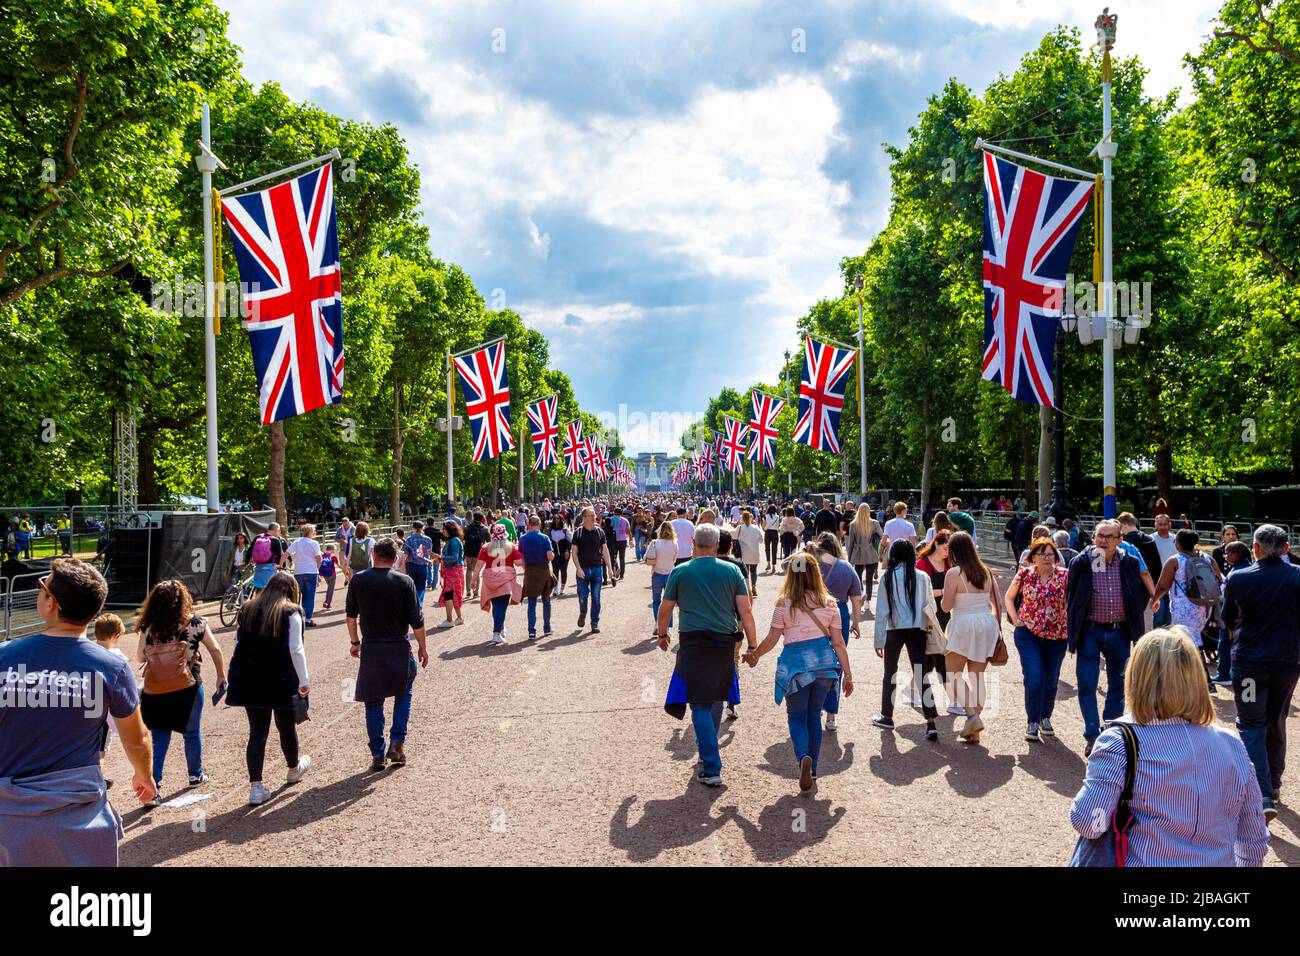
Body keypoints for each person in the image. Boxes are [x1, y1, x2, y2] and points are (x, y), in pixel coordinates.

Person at [0, 559, 155, 865]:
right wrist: (144, 775)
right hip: (80, 814)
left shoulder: (4, 657)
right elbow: (137, 739)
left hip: (10, 814)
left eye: (42, 589)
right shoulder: (111, 666)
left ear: (51, 603)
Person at [1070, 628, 1268, 866]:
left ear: (1137, 677)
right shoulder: (1232, 744)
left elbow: (1090, 823)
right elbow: (1253, 842)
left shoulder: (1119, 742)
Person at [656, 524, 757, 787]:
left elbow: (665, 609)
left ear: (693, 542)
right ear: (716, 544)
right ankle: (706, 752)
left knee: (699, 703)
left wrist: (662, 634)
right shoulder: (732, 570)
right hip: (724, 643)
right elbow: (745, 611)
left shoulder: (680, 571)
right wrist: (753, 644)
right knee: (715, 699)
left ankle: (711, 765)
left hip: (694, 643)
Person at [743, 552, 853, 791]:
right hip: (825, 666)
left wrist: (754, 655)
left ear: (791, 575)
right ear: (816, 574)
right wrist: (848, 674)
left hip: (796, 668)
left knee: (796, 717)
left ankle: (803, 756)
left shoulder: (784, 603)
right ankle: (812, 770)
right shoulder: (830, 603)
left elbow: (773, 638)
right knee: (814, 716)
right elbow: (838, 643)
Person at [1221, 524, 1300, 822]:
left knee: (1252, 724)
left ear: (1254, 548)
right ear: (1286, 547)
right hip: (1287, 664)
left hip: (1250, 665)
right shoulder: (1297, 577)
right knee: (1276, 721)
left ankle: (1263, 792)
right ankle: (1274, 784)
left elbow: (1227, 618)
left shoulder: (1238, 578)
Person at [135, 579, 226, 800]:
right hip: (188, 686)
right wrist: (221, 676)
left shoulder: (149, 627)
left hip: (155, 689)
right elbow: (215, 649)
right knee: (191, 733)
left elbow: (139, 657)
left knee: (159, 738)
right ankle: (195, 775)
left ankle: (153, 787)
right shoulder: (195, 623)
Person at [226, 572, 312, 805]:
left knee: (257, 732)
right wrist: (304, 680)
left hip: (250, 677)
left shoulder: (247, 609)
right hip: (280, 678)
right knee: (286, 727)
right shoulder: (292, 612)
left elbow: (238, 644)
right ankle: (293, 770)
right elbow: (296, 649)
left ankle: (256, 786)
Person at [1066, 519, 1150, 755]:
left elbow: (1137, 594)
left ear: (1119, 540)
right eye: (1099, 536)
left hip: (1119, 632)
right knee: (1087, 683)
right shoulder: (1082, 563)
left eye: (1108, 537)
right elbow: (1070, 597)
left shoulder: (1129, 562)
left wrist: (1133, 621)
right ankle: (1093, 734)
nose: (1103, 540)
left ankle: (1111, 732)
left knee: (1118, 684)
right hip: (1090, 631)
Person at [346, 537, 428, 772]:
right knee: (404, 693)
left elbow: (351, 615)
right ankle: (397, 742)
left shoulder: (358, 580)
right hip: (398, 646)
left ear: (373, 555)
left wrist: (355, 642)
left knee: (373, 701)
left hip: (371, 647)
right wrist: (422, 648)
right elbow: (417, 620)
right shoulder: (404, 581)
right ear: (394, 559)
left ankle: (377, 753)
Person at [871, 540, 939, 740]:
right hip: (917, 629)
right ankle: (931, 721)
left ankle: (887, 715)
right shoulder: (922, 576)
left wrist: (878, 640)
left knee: (889, 672)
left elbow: (882, 612)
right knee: (920, 673)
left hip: (894, 629)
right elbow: (931, 607)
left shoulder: (888, 577)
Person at [940, 531, 1002, 744]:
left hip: (963, 623)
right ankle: (973, 728)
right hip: (986, 622)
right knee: (977, 676)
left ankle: (972, 716)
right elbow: (997, 605)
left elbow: (946, 606)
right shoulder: (986, 571)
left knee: (953, 672)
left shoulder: (954, 573)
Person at [1005, 536, 1069, 742]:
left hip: (1058, 635)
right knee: (1034, 677)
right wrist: (1016, 620)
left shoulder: (1065, 576)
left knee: (1051, 680)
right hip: (1028, 633)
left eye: (1050, 554)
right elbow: (1008, 597)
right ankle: (1032, 721)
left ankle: (1045, 717)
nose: (1047, 558)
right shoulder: (1024, 574)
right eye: (1042, 554)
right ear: (1033, 557)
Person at [809, 533, 862, 731]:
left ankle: (814, 708)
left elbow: (786, 565)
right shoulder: (846, 567)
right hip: (839, 613)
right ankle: (831, 715)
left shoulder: (811, 564)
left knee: (814, 661)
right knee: (836, 662)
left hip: (814, 612)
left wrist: (809, 549)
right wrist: (856, 623)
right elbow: (856, 598)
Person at [1149, 528, 1222, 654]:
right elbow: (1219, 579)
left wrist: (1154, 599)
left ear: (1178, 543)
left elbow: (1162, 586)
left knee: (1184, 641)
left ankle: (1193, 668)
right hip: (1204, 605)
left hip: (1183, 606)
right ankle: (1197, 667)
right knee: (1195, 637)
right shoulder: (1207, 558)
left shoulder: (1174, 561)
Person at [914, 531, 952, 711]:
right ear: (936, 544)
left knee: (930, 655)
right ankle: (953, 699)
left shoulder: (948, 562)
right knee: (940, 654)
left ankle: (911, 688)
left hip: (944, 613)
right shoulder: (922, 563)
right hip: (928, 613)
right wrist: (945, 591)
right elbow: (921, 592)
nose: (947, 552)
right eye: (945, 548)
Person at [476, 524, 523, 645]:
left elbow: (479, 565)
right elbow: (519, 562)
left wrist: (473, 579)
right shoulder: (511, 547)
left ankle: (500, 629)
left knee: (497, 606)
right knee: (501, 607)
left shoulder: (486, 547)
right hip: (505, 580)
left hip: (489, 580)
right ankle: (496, 633)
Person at [573, 507, 614, 633]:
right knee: (583, 597)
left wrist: (610, 569)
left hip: (597, 568)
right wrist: (578, 568)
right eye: (590, 515)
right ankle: (583, 612)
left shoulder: (600, 532)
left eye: (594, 515)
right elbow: (574, 553)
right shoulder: (578, 533)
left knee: (596, 597)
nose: (593, 517)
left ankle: (594, 623)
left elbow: (605, 551)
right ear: (584, 518)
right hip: (583, 570)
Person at [519, 516, 557, 641]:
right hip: (543, 571)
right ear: (540, 525)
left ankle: (532, 631)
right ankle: (547, 628)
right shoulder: (544, 538)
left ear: (528, 525)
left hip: (530, 571)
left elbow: (521, 558)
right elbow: (550, 556)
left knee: (531, 603)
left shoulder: (523, 538)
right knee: (546, 601)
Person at [286, 523, 323, 627]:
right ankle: (308, 619)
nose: (315, 533)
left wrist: (280, 565)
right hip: (311, 572)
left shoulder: (297, 542)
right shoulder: (314, 543)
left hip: (299, 572)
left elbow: (286, 554)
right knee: (309, 596)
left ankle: (294, 618)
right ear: (310, 532)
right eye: (314, 531)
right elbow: (319, 558)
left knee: (297, 596)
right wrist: (318, 569)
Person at [646, 519, 678, 637]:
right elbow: (674, 559)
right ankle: (668, 627)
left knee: (656, 601)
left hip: (656, 573)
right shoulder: (674, 544)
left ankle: (658, 624)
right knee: (669, 602)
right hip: (670, 574)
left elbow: (647, 557)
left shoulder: (654, 543)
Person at [845, 503, 882, 602]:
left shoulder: (853, 524)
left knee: (858, 577)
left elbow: (851, 542)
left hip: (857, 552)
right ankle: (868, 600)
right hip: (871, 552)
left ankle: (861, 596)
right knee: (869, 578)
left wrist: (850, 558)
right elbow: (882, 536)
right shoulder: (874, 523)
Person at [435, 520, 467, 627]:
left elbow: (454, 557)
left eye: (444, 529)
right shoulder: (452, 540)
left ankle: (451, 620)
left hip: (454, 571)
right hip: (452, 571)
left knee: (451, 595)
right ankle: (457, 618)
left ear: (450, 530)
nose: (442, 531)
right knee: (450, 595)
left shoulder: (454, 541)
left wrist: (440, 557)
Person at [402, 520, 435, 607]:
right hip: (423, 565)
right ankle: (419, 604)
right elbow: (429, 552)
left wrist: (403, 566)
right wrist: (430, 561)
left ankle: (412, 603)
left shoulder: (409, 539)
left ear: (413, 528)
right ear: (422, 528)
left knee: (412, 585)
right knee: (421, 586)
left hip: (411, 565)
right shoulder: (428, 539)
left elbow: (405, 554)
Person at [250, 523, 286, 591]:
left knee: (259, 590)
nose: (279, 533)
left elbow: (250, 550)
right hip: (270, 569)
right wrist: (281, 566)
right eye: (279, 531)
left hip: (258, 568)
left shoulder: (258, 537)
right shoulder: (275, 540)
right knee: (270, 590)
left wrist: (246, 562)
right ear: (276, 530)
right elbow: (280, 555)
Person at [735, 510, 762, 598]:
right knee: (754, 571)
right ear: (751, 518)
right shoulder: (756, 528)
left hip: (744, 554)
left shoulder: (740, 528)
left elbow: (734, 536)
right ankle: (754, 586)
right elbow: (761, 540)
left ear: (742, 518)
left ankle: (747, 588)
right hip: (754, 553)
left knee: (744, 572)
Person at [464, 512, 489, 599]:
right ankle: (476, 591)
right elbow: (488, 542)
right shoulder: (485, 528)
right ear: (482, 518)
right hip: (479, 552)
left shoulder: (467, 528)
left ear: (474, 518)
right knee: (477, 571)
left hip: (468, 552)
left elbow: (464, 539)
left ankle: (468, 590)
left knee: (469, 570)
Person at [548, 513, 572, 596]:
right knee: (555, 570)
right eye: (554, 519)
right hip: (554, 554)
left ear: (561, 520)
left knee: (563, 570)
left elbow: (570, 540)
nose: (556, 520)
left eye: (557, 518)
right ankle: (555, 588)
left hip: (564, 553)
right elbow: (549, 541)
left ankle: (562, 587)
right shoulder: (551, 530)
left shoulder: (565, 530)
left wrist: (567, 550)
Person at [762, 503, 782, 572]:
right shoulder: (777, 517)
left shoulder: (766, 516)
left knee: (767, 549)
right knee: (774, 549)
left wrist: (765, 528)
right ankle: (774, 566)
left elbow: (763, 526)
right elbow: (778, 525)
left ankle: (768, 564)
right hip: (775, 533)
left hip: (768, 533)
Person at [319, 544, 339, 611]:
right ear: (332, 549)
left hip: (324, 575)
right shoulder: (333, 556)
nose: (334, 551)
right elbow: (339, 566)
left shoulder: (322, 555)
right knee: (331, 589)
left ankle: (326, 601)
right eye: (334, 550)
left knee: (329, 588)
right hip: (332, 574)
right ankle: (328, 604)